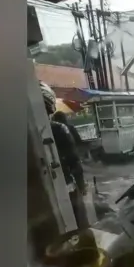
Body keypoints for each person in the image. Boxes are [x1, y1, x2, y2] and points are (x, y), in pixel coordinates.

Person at [40, 81, 89, 228]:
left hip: (44, 194)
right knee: (80, 225)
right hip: (65, 185)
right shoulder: (59, 129)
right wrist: (81, 185)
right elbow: (73, 159)